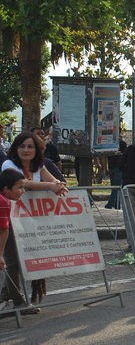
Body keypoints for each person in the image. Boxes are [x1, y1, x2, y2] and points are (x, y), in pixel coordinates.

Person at [1, 132, 68, 313]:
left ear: (37, 150)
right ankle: (19, 303)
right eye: (22, 146)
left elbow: (53, 180)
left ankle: (5, 297)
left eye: (30, 147)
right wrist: (50, 186)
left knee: (25, 260)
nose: (26, 150)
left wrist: (58, 185)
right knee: (13, 261)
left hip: (31, 222)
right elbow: (23, 183)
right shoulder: (9, 165)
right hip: (9, 220)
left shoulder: (39, 165)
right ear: (15, 148)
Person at [0, 169, 30, 313]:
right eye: (20, 187)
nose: (23, 191)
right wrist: (0, 255)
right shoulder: (4, 202)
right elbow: (4, 231)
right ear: (6, 189)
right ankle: (16, 302)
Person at [104, 132, 127, 209]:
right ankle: (115, 203)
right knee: (116, 187)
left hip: (112, 167)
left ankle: (112, 203)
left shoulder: (109, 143)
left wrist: (105, 168)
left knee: (114, 187)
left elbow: (105, 156)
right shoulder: (123, 143)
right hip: (119, 168)